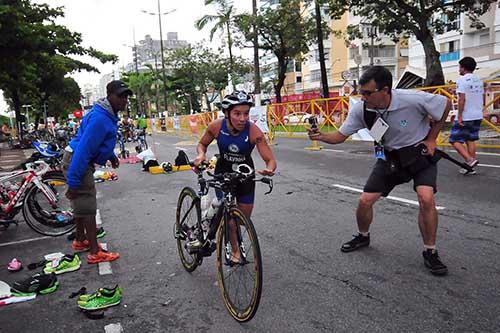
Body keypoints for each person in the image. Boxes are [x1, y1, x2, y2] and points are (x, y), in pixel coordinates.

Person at [308, 66, 451, 276]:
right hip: (390, 159)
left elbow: (445, 104)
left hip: (419, 155)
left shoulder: (411, 99)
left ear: (385, 90)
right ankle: (362, 235)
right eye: (361, 92)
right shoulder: (361, 109)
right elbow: (340, 136)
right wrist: (320, 136)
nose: (362, 97)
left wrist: (431, 138)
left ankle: (430, 251)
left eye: (367, 93)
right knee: (365, 201)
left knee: (426, 198)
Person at [193, 90, 277, 262]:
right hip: (223, 173)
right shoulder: (216, 126)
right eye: (237, 113)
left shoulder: (254, 132)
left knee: (242, 219)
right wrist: (201, 155)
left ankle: (220, 221)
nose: (242, 118)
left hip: (245, 175)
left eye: (246, 113)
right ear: (227, 114)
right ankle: (235, 250)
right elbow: (202, 144)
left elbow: (270, 160)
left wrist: (269, 168)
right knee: (231, 215)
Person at [63, 80, 132, 264]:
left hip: (77, 158)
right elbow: (84, 150)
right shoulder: (101, 118)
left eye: (126, 96)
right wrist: (73, 181)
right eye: (120, 96)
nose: (124, 100)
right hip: (78, 161)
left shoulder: (106, 114)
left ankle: (80, 240)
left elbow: (98, 142)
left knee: (81, 205)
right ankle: (94, 251)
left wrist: (110, 155)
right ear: (109, 96)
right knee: (87, 206)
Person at [449, 57, 484, 175]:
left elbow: (461, 99)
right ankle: (471, 167)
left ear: (463, 68)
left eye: (459, 67)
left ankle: (469, 160)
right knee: (470, 139)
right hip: (478, 114)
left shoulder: (462, 80)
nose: (459, 69)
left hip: (466, 115)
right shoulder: (479, 80)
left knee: (454, 140)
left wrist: (459, 116)